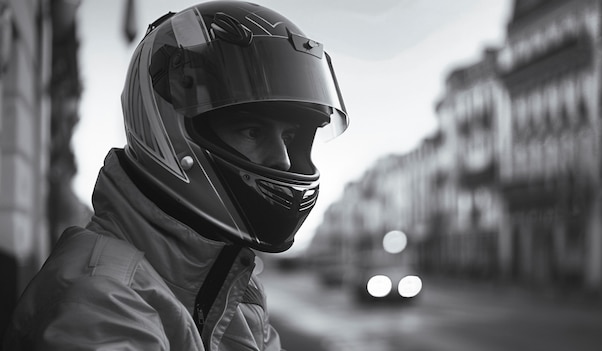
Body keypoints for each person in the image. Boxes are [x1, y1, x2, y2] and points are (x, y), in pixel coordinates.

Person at [2, 1, 348, 350]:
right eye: (252, 132)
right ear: (170, 130)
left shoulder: (231, 288)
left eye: (290, 137)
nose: (284, 161)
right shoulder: (103, 301)